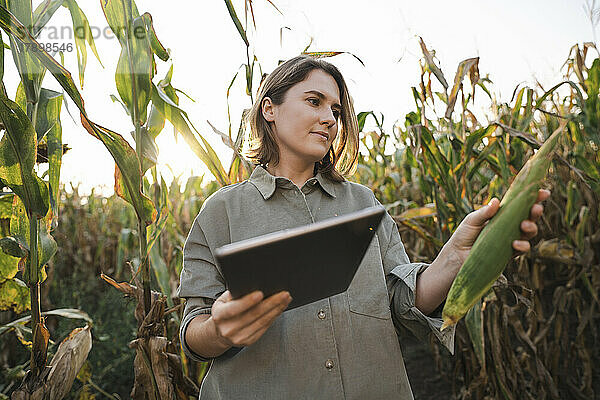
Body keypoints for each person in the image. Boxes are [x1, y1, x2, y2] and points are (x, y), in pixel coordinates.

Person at [176, 55, 549, 399]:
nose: (330, 119)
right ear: (269, 109)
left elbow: (402, 302)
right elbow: (193, 333)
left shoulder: (363, 203)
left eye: (336, 110)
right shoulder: (220, 212)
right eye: (314, 101)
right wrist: (219, 330)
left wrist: (456, 257)